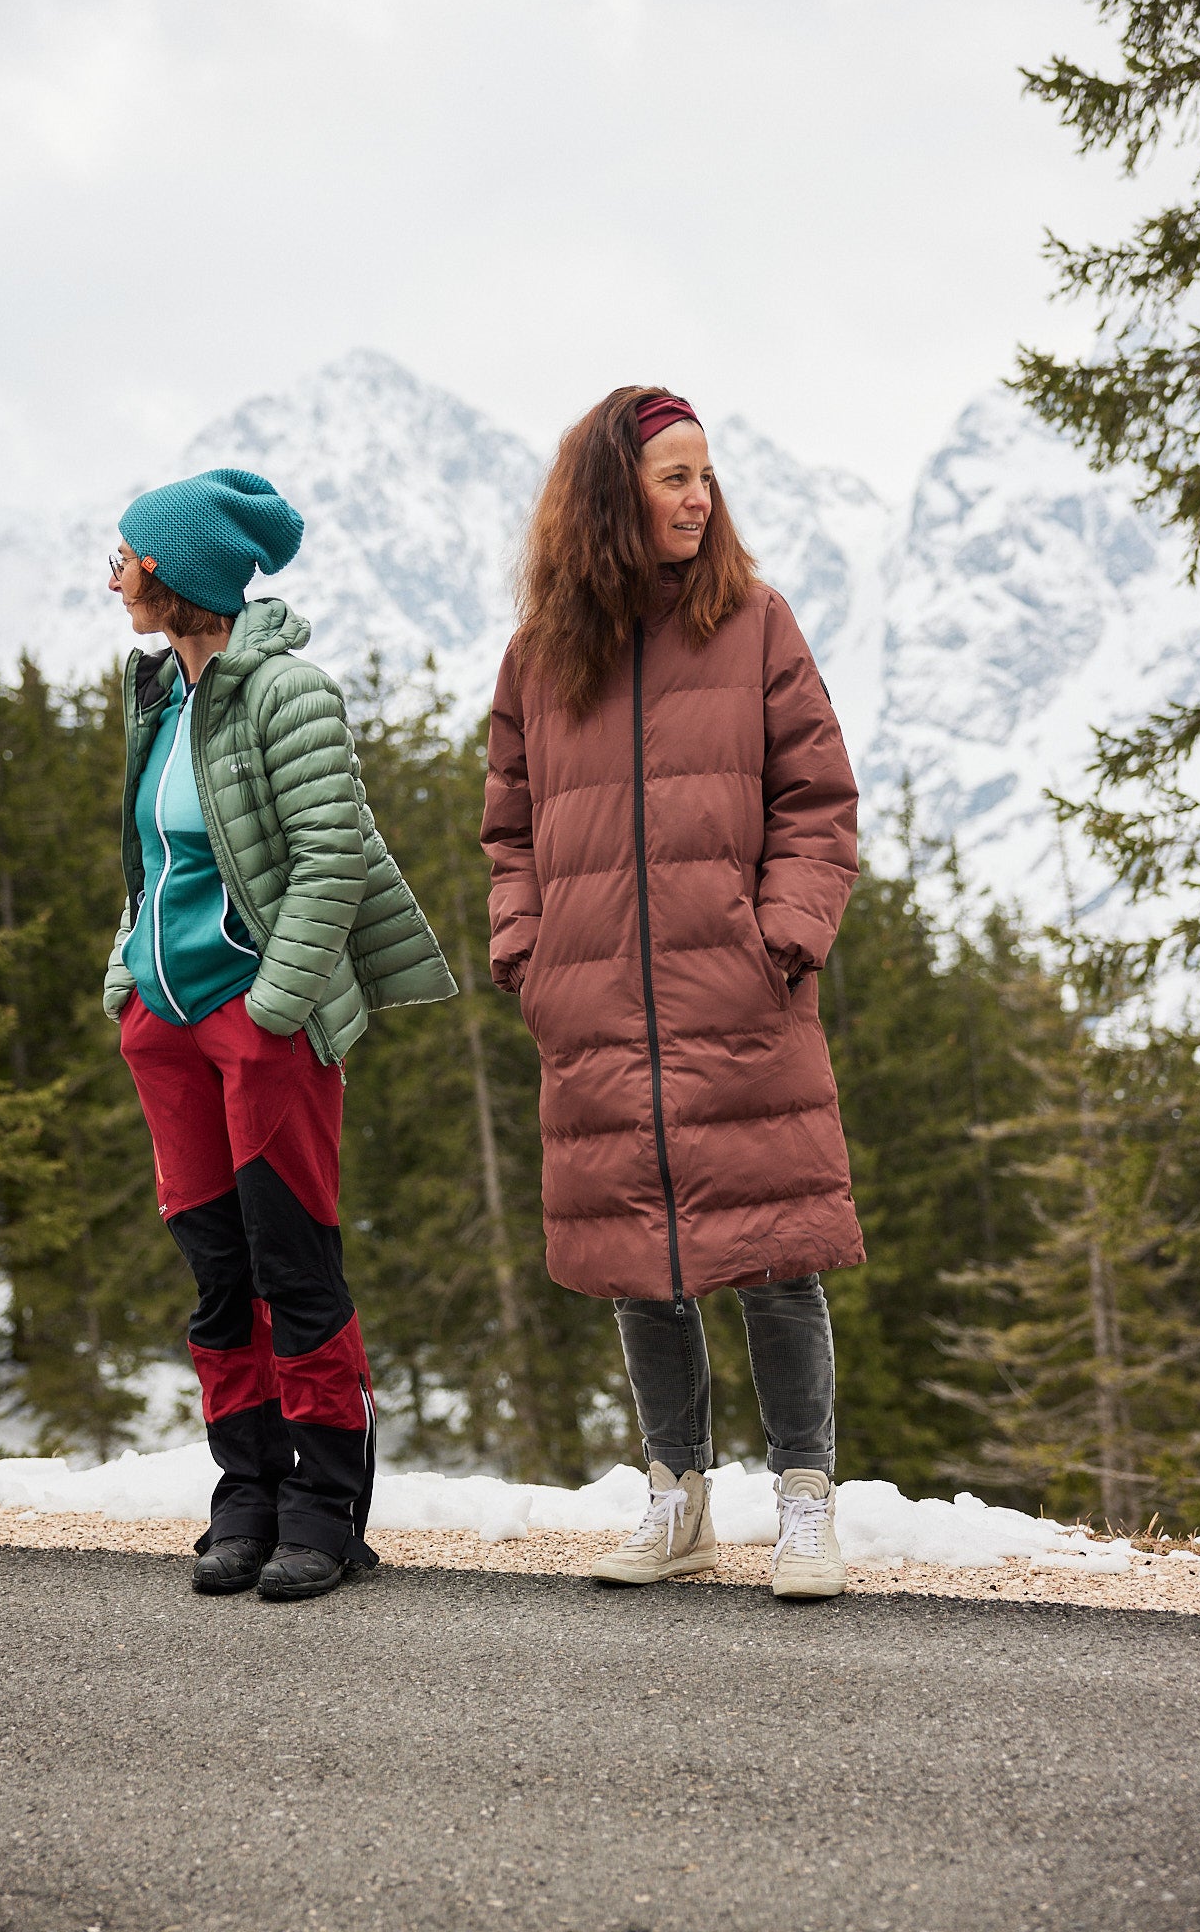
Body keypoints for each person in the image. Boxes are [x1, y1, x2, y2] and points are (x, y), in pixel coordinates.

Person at [482, 389, 863, 1599]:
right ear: (611, 497)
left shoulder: (755, 623)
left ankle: (804, 1502)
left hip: (737, 989)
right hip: (593, 1003)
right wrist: (530, 957)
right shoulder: (542, 654)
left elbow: (817, 801)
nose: (701, 497)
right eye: (674, 477)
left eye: (706, 475)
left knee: (774, 1253)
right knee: (638, 1256)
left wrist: (783, 939)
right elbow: (511, 828)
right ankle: (676, 1497)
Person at [105, 466, 457, 1601]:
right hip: (168, 1028)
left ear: (177, 572)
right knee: (218, 1277)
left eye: (129, 555)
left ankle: (324, 1510)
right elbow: (152, 865)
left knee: (292, 1265)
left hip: (262, 1023)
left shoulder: (287, 691)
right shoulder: (160, 694)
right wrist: (129, 981)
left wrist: (276, 1002)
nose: (115, 573)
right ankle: (245, 1496)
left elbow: (330, 858)